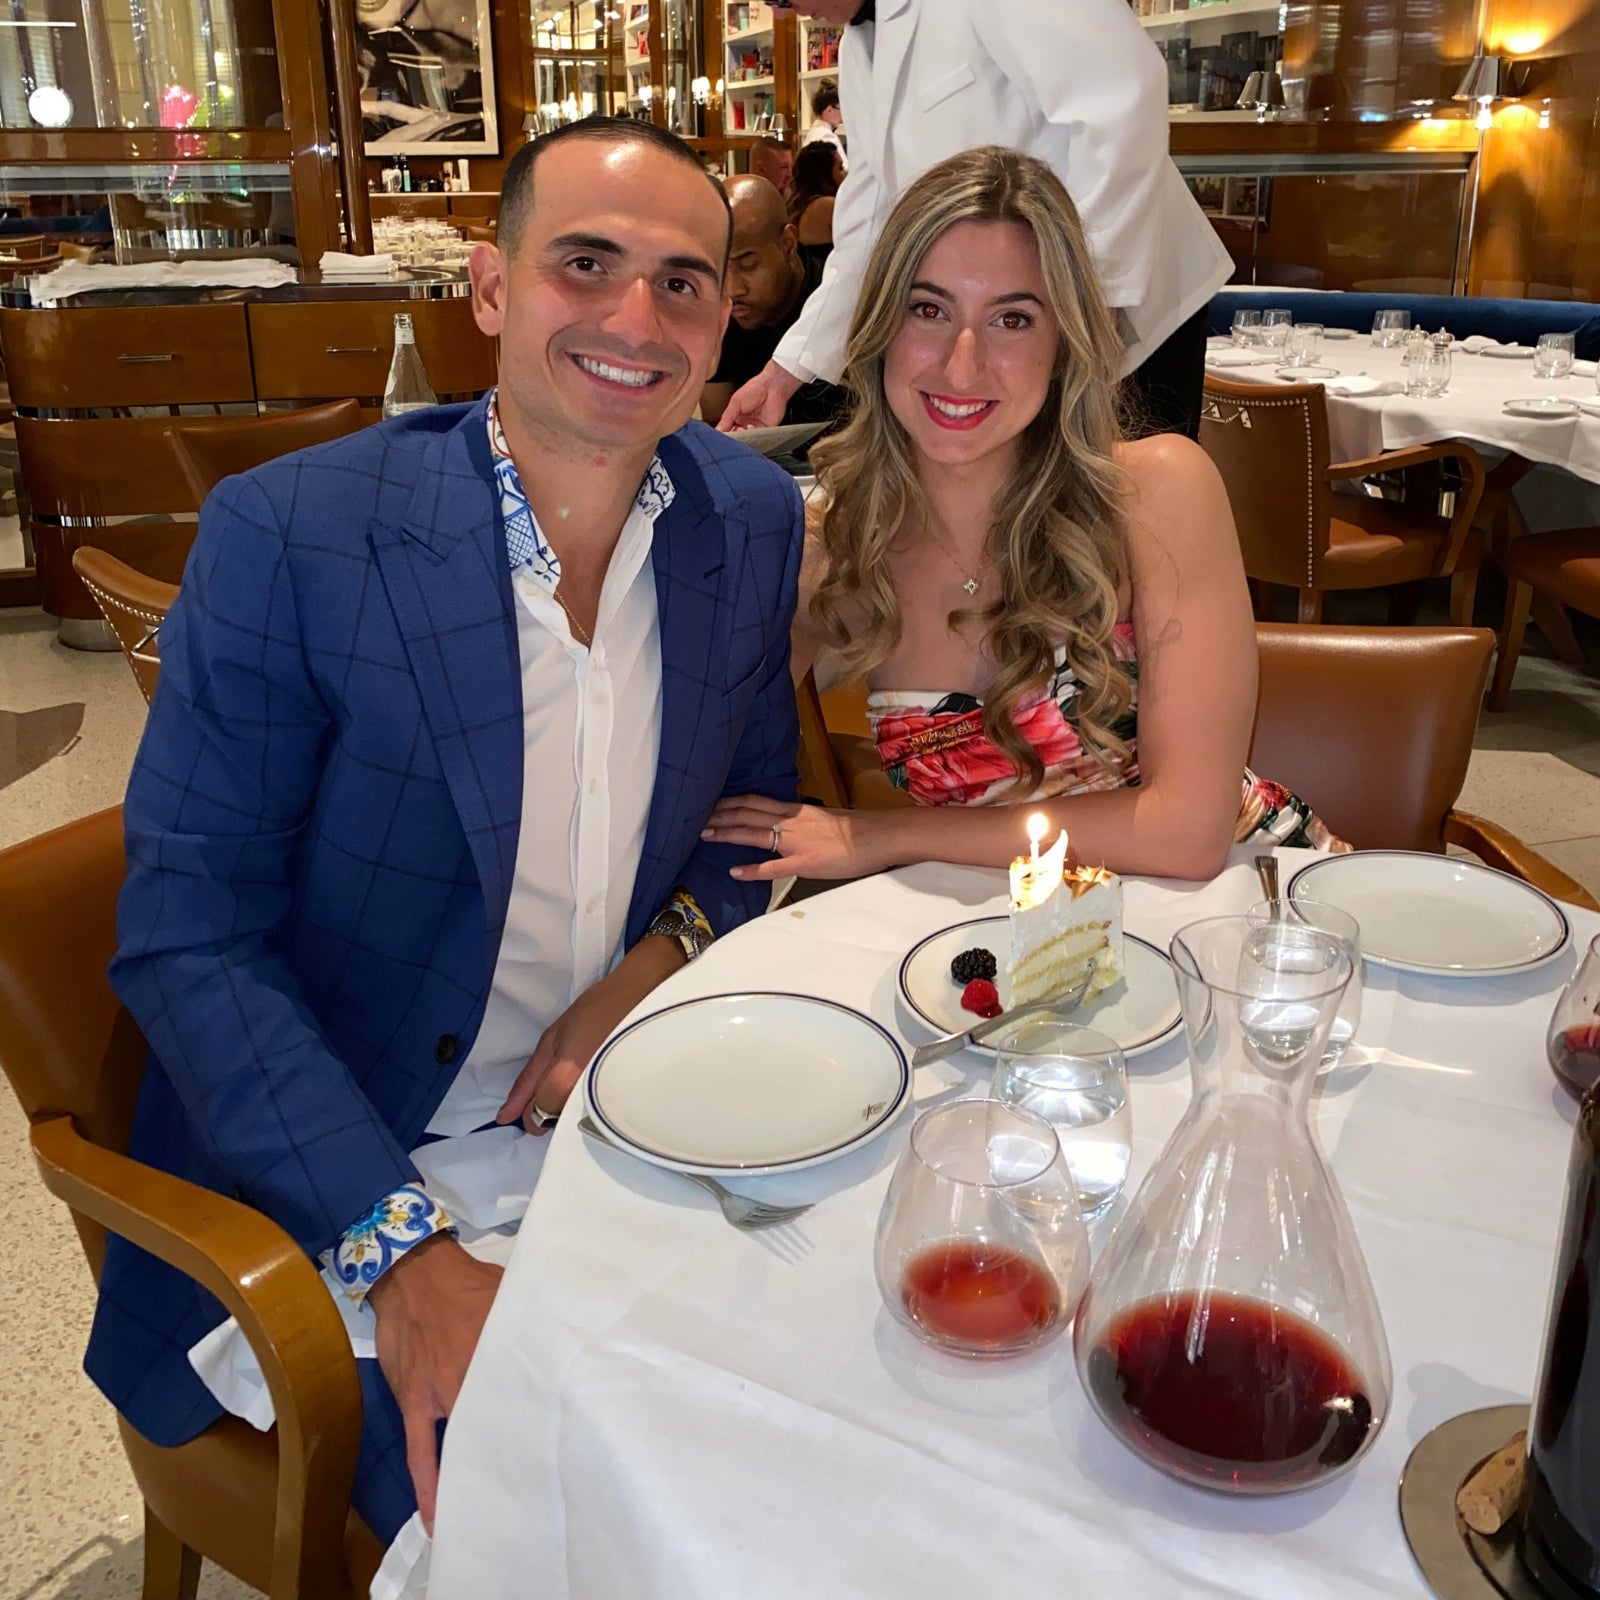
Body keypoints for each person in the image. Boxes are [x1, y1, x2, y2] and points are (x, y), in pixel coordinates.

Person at [89, 118, 804, 1550]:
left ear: (732, 317)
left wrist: (651, 961)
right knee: (581, 1533)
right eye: (583, 265)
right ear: (488, 286)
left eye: (682, 283)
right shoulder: (294, 537)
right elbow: (188, 939)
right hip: (346, 1163)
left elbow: (751, 824)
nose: (632, 319)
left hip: (619, 1132)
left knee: (816, 1450)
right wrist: (398, 1254)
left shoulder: (749, 515)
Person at [702, 147, 1344, 888]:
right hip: (1017, 947)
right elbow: (706, 754)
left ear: (1063, 347)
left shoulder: (1157, 494)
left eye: (1012, 318)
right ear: (878, 330)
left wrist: (877, 835)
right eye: (929, 309)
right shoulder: (833, 547)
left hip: (1245, 910)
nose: (961, 364)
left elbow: (1188, 833)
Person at [729, 0, 1234, 441]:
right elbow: (870, 224)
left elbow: (1122, 93)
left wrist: (1092, 303)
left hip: (1125, 312)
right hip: (1017, 321)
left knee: (1132, 512)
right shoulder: (861, 49)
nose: (779, 12)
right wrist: (783, 374)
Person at [700, 174, 846, 431]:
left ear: (788, 244)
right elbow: (717, 421)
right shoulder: (722, 313)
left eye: (747, 265)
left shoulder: (841, 303)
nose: (733, 289)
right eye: (721, 269)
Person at [789, 140, 843, 248]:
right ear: (824, 175)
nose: (846, 173)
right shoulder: (827, 205)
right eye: (840, 168)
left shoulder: (797, 205)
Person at [803, 78, 848, 170]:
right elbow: (842, 170)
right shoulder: (826, 136)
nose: (843, 116)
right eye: (841, 109)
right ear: (829, 110)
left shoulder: (813, 133)